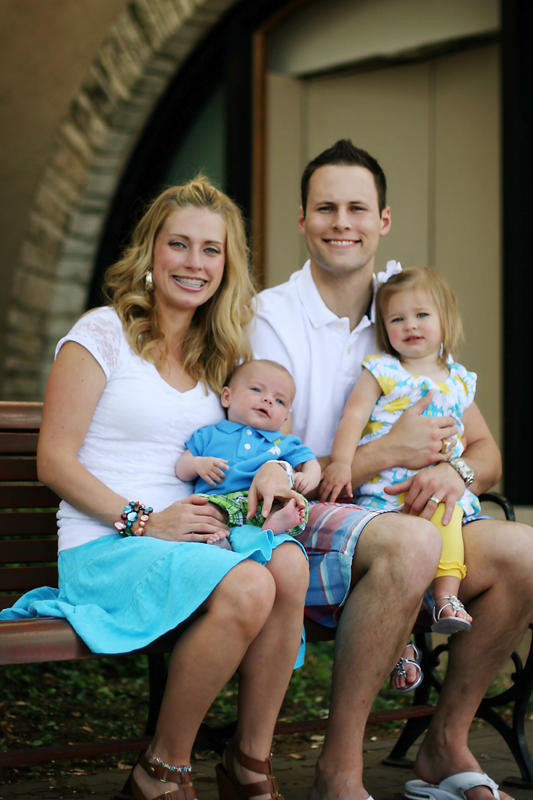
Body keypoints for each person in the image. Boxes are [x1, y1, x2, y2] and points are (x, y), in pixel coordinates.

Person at [0, 176, 310, 800]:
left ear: (227, 266)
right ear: (151, 252)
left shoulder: (217, 358)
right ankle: (163, 770)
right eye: (179, 244)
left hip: (189, 544)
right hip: (107, 545)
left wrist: (277, 470)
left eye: (211, 250)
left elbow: (254, 444)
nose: (195, 263)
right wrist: (145, 520)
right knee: (251, 583)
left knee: (291, 565)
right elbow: (53, 462)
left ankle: (249, 762)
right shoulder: (101, 334)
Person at [251, 139, 533, 800]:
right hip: (302, 518)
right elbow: (270, 472)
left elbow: (486, 451)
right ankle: (338, 770)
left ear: (382, 220)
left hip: (407, 515)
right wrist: (389, 452)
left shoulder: (407, 308)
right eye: (326, 208)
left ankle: (445, 742)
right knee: (411, 543)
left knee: (525, 552)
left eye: (357, 208)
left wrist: (456, 473)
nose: (341, 222)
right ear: (302, 220)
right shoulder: (270, 319)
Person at [320, 267, 477, 635]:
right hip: (385, 489)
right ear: (384, 328)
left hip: (435, 489)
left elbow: (466, 436)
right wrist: (341, 462)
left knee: (448, 519)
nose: (411, 325)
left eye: (422, 314)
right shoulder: (383, 370)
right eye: (397, 319)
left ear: (445, 319)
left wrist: (454, 459)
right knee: (399, 558)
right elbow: (353, 417)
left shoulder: (458, 379)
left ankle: (446, 597)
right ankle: (399, 641)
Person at [175, 358, 321, 550]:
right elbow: (181, 469)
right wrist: (197, 464)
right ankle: (219, 539)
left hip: (262, 503)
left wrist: (308, 477)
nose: (268, 400)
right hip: (220, 502)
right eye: (256, 389)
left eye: (279, 401)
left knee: (293, 503)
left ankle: (275, 524)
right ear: (227, 397)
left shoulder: (283, 442)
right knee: (202, 511)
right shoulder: (209, 434)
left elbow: (310, 462)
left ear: (285, 417)